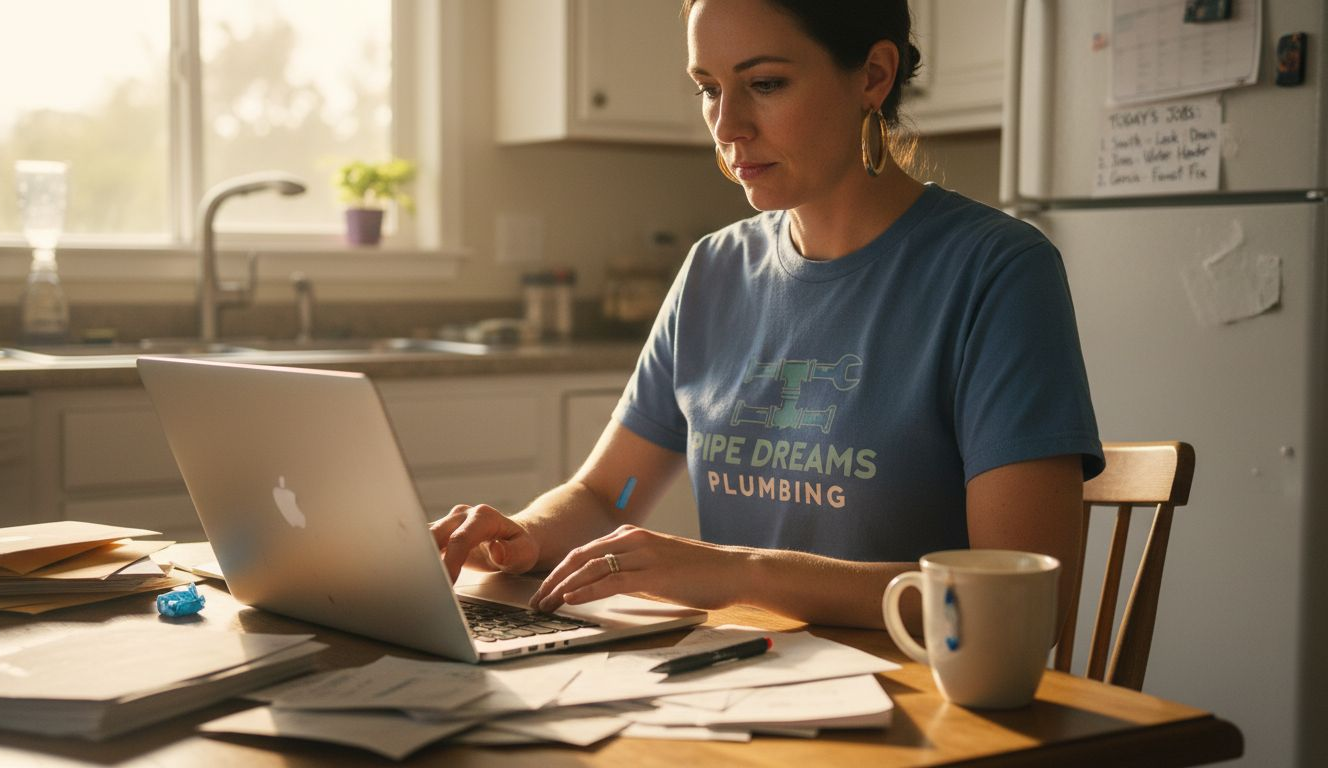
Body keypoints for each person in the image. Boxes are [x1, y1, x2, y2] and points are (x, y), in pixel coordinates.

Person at [432, 0, 1103, 632]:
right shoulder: (712, 273)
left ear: (873, 75)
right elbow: (611, 494)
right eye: (709, 88)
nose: (727, 127)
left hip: (923, 708)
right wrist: (525, 535)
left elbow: (1022, 605)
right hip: (746, 681)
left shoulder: (995, 271)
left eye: (767, 83)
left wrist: (734, 573)